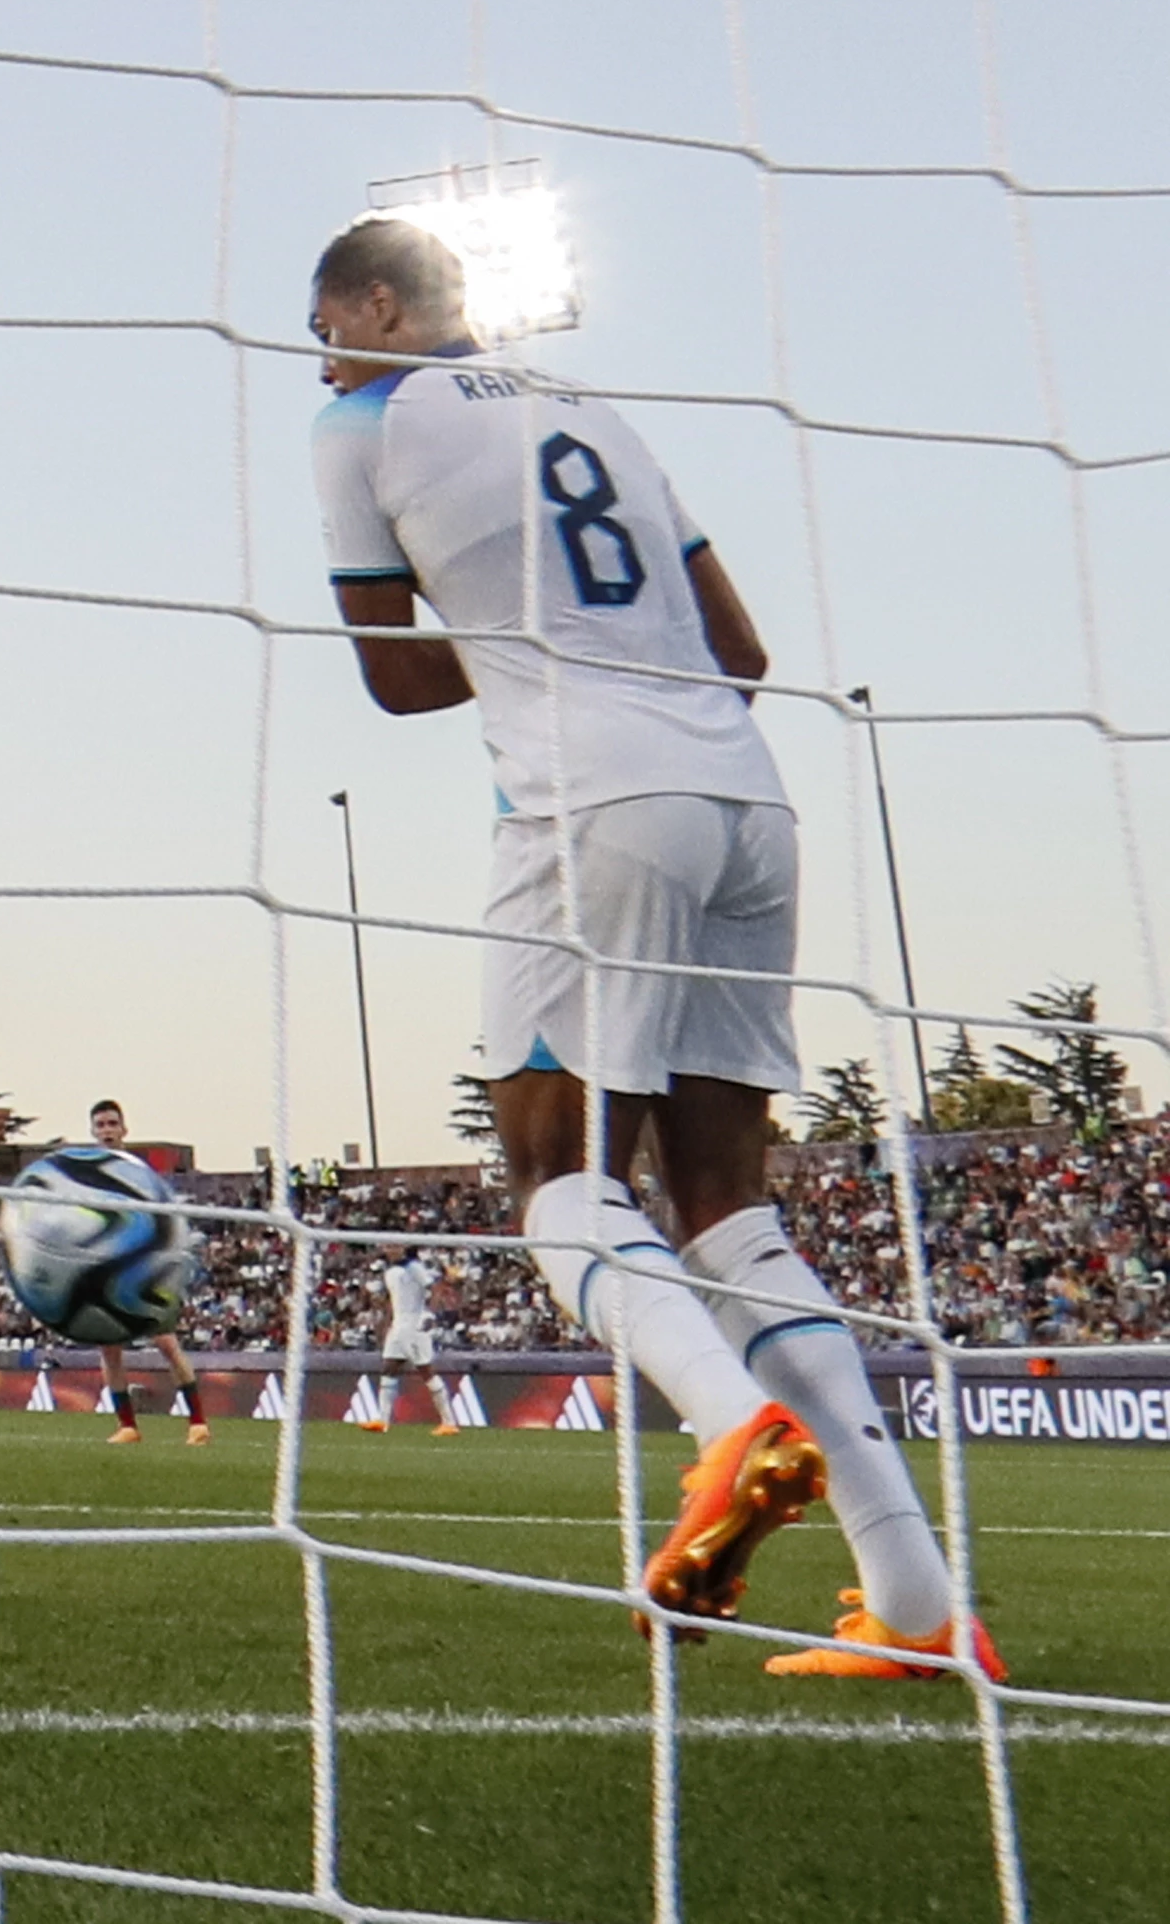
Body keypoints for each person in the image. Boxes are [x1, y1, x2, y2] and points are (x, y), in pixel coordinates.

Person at [308, 214, 997, 1679]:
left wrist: (518, 653)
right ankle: (919, 1610)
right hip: (749, 799)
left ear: (377, 302)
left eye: (328, 324)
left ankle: (729, 1426)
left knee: (558, 1178)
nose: (321, 353)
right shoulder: (594, 408)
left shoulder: (361, 417)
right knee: (729, 1212)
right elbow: (740, 648)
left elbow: (383, 671)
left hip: (590, 806)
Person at [84, 1101, 212, 1446]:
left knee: (165, 1341)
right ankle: (128, 1426)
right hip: (108, 1266)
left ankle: (198, 1422)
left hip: (143, 1265)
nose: (107, 1130)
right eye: (101, 1124)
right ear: (93, 1132)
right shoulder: (90, 1173)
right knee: (109, 1348)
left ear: (124, 1130)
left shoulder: (138, 1171)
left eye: (113, 1123)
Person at [361, 1247, 458, 1435]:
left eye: (393, 1246)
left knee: (426, 1371)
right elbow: (394, 1301)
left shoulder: (413, 1267)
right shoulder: (389, 1271)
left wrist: (429, 1314)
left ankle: (449, 1421)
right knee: (389, 1368)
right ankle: (382, 1420)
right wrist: (386, 1323)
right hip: (398, 1326)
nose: (389, 1249)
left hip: (414, 1325)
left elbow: (435, 1288)